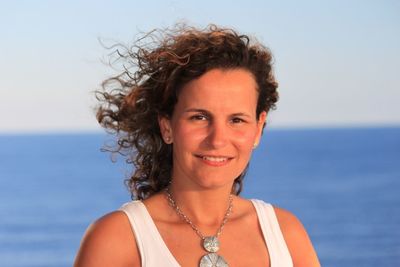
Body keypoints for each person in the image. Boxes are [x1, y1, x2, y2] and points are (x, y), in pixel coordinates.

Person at [74, 24, 320, 267]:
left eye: (237, 120)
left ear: (258, 128)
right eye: (199, 117)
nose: (217, 139)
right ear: (167, 126)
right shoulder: (117, 240)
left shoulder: (286, 234)